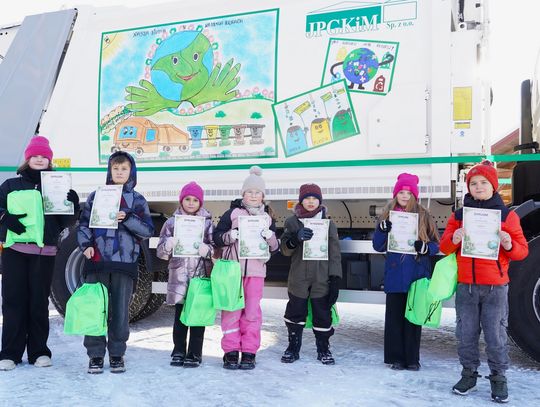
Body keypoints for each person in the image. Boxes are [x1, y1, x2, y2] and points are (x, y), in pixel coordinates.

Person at [440, 161, 528, 403]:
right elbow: (444, 246)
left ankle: (498, 377)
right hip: (466, 286)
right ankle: (468, 374)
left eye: (484, 183)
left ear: (493, 186)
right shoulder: (460, 216)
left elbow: (522, 251)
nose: (478, 187)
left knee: (496, 335)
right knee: (466, 334)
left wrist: (508, 244)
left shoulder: (507, 216)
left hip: (495, 288)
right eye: (474, 183)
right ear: (468, 187)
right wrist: (454, 238)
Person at [0, 136, 80, 371]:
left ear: (49, 160)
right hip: (15, 251)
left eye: (43, 156)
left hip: (44, 253)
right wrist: (5, 218)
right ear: (27, 159)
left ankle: (39, 352)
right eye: (35, 155)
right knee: (13, 301)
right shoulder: (10, 185)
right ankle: (10, 353)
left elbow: (65, 222)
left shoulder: (58, 186)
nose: (39, 159)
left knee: (38, 303)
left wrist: (72, 206)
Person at [77, 151, 154, 374]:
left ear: (131, 172)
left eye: (124, 169)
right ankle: (95, 354)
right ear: (109, 171)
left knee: (120, 311)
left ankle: (117, 353)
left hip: (124, 263)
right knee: (95, 310)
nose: (119, 172)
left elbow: (147, 231)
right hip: (97, 261)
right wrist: (86, 245)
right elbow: (84, 224)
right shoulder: (96, 196)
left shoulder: (137, 200)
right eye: (116, 168)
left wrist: (127, 218)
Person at [213, 166, 279, 370]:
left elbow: (275, 248)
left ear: (263, 196)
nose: (253, 195)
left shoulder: (267, 218)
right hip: (233, 272)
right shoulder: (232, 214)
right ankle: (231, 351)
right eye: (249, 191)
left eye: (257, 192)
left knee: (252, 313)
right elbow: (217, 238)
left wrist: (270, 237)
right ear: (243, 194)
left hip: (256, 273)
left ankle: (249, 351)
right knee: (231, 311)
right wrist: (230, 236)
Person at [372, 173, 440, 371]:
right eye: (401, 192)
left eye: (409, 193)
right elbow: (377, 246)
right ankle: (396, 358)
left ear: (414, 195)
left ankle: (412, 359)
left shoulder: (424, 215)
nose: (404, 196)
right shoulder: (387, 215)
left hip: (416, 274)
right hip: (395, 273)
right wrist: (381, 230)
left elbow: (436, 243)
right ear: (395, 194)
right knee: (394, 318)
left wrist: (426, 248)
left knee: (413, 318)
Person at [279, 183, 342, 365]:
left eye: (315, 198)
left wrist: (335, 278)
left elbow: (335, 253)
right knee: (295, 311)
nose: (311, 202)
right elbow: (285, 250)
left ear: (320, 201)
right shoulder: (292, 222)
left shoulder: (329, 224)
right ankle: (293, 347)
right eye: (307, 198)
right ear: (301, 201)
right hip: (299, 276)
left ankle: (323, 348)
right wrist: (295, 239)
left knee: (322, 313)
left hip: (321, 276)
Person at [156, 181, 214, 368]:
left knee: (198, 315)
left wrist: (208, 251)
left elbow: (217, 251)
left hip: (199, 275)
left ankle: (195, 353)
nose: (191, 203)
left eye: (195, 200)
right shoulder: (171, 223)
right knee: (179, 316)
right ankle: (178, 351)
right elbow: (160, 253)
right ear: (181, 200)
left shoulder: (207, 224)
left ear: (200, 202)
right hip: (179, 275)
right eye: (187, 199)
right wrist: (168, 245)